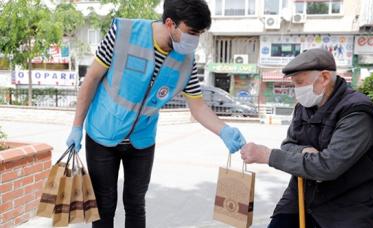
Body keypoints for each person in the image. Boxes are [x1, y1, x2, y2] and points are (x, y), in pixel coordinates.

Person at [65, 1, 246, 227]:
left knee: (135, 203)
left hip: (142, 140)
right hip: (103, 134)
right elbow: (91, 78)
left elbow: (198, 106)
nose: (195, 40)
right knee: (104, 205)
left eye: (199, 34)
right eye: (192, 32)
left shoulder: (186, 62)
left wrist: (224, 130)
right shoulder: (123, 33)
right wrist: (76, 126)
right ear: (170, 23)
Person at [240, 48, 373, 228]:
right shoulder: (304, 106)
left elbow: (328, 166)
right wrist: (303, 151)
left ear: (323, 78)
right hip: (300, 197)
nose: (296, 91)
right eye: (294, 84)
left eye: (300, 83)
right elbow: (288, 145)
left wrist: (267, 155)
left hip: (345, 208)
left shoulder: (357, 111)